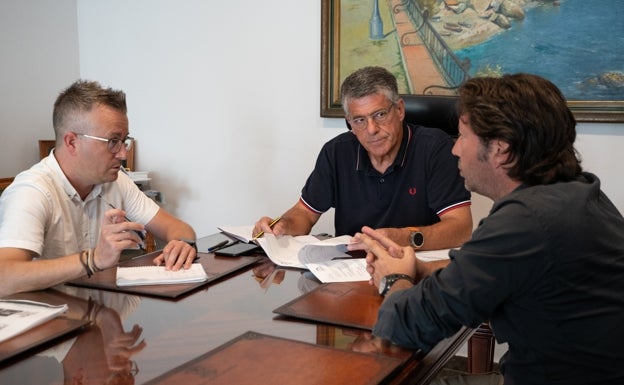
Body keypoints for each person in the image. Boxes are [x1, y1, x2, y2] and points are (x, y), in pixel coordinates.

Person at [348, 73, 624, 384]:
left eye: (463, 136)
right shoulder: (578, 192)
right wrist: (418, 268)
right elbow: (493, 273)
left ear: (500, 149)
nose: (455, 149)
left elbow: (404, 325)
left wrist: (394, 277)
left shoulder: (526, 221)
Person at [0, 80, 197, 297]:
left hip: (97, 313)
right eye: (112, 141)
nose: (123, 154)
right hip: (50, 322)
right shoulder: (32, 191)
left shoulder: (115, 181)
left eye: (124, 140)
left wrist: (182, 244)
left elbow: (179, 228)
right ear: (72, 142)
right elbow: (4, 278)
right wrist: (93, 259)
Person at [254, 66, 472, 251]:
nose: (371, 129)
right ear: (349, 121)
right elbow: (304, 213)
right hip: (350, 271)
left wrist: (403, 238)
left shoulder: (435, 148)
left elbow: (460, 228)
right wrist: (282, 225)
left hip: (414, 270)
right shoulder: (336, 152)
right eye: (359, 120)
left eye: (380, 115)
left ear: (399, 110)